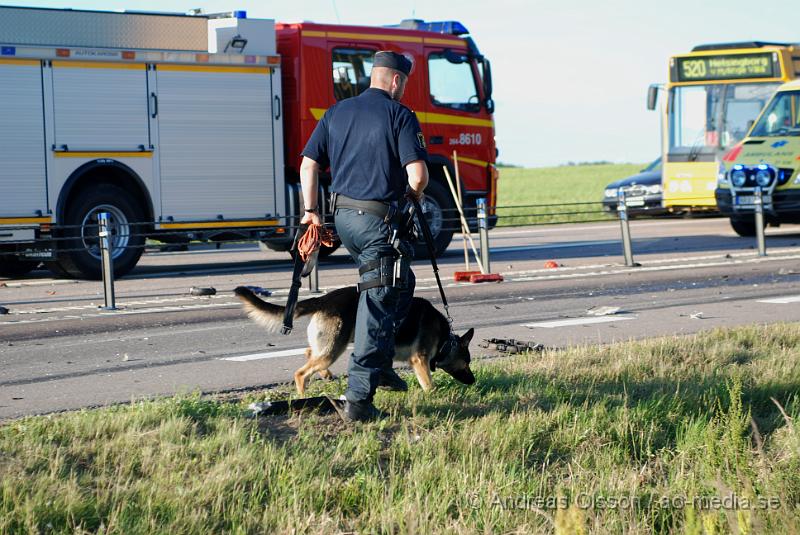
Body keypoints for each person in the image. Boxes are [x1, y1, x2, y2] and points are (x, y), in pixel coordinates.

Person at [299, 50, 429, 422]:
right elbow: (418, 175)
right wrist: (414, 196)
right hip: (377, 224)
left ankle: (382, 361)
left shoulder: (335, 112)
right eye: (403, 84)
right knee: (376, 305)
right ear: (395, 81)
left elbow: (308, 164)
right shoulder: (399, 115)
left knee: (400, 285)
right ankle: (358, 399)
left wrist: (311, 212)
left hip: (344, 222)